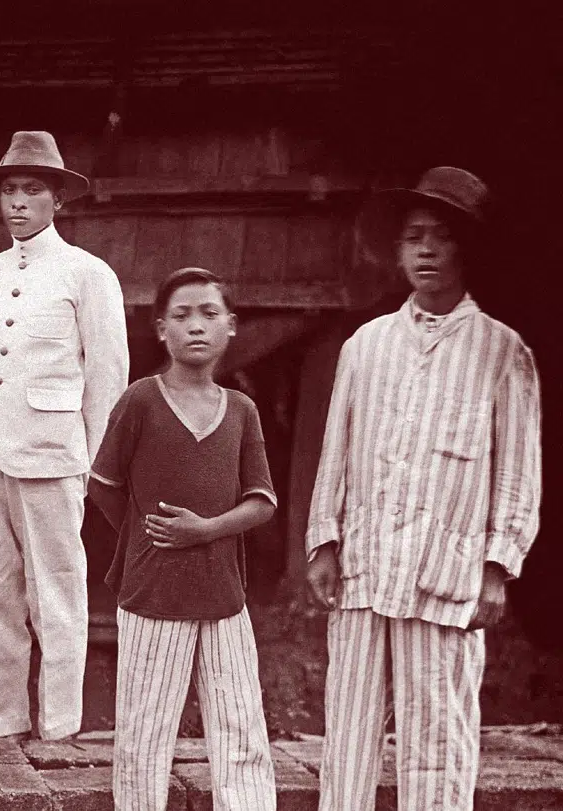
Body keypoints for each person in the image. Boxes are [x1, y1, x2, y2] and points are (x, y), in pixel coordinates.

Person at [306, 167, 542, 810]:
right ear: (399, 249)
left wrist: (497, 567)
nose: (427, 250)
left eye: (441, 237)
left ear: (465, 247)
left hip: (447, 576)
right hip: (366, 566)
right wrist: (325, 542)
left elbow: (519, 471)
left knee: (438, 742)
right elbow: (337, 454)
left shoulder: (502, 351)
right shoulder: (366, 346)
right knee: (349, 734)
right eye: (415, 238)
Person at [88, 268, 278, 810]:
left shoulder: (240, 409)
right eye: (182, 315)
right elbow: (102, 485)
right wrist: (146, 535)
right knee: (144, 738)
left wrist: (206, 530)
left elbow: (261, 501)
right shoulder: (140, 401)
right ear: (161, 330)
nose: (196, 326)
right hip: (153, 594)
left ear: (232, 326)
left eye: (209, 313)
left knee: (241, 732)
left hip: (224, 596)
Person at [0, 130, 129, 740]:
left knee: (56, 592)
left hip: (54, 455)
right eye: (9, 190)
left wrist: (94, 467)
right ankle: (3, 722)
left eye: (33, 190)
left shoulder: (88, 274)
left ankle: (59, 725)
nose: (18, 202)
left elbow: (108, 376)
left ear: (58, 199)